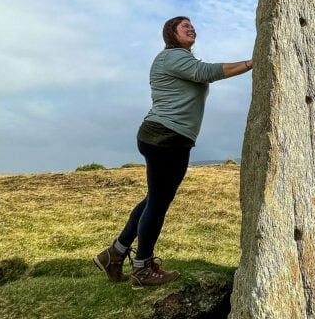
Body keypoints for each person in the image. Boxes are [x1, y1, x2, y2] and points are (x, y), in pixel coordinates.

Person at [95, 16, 253, 288]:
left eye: (192, 25)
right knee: (158, 203)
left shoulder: (177, 59)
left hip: (165, 137)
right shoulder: (172, 57)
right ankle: (142, 268)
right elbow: (207, 73)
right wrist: (252, 62)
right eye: (184, 26)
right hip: (166, 137)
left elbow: (200, 73)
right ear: (171, 33)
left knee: (153, 200)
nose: (191, 28)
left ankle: (116, 253)